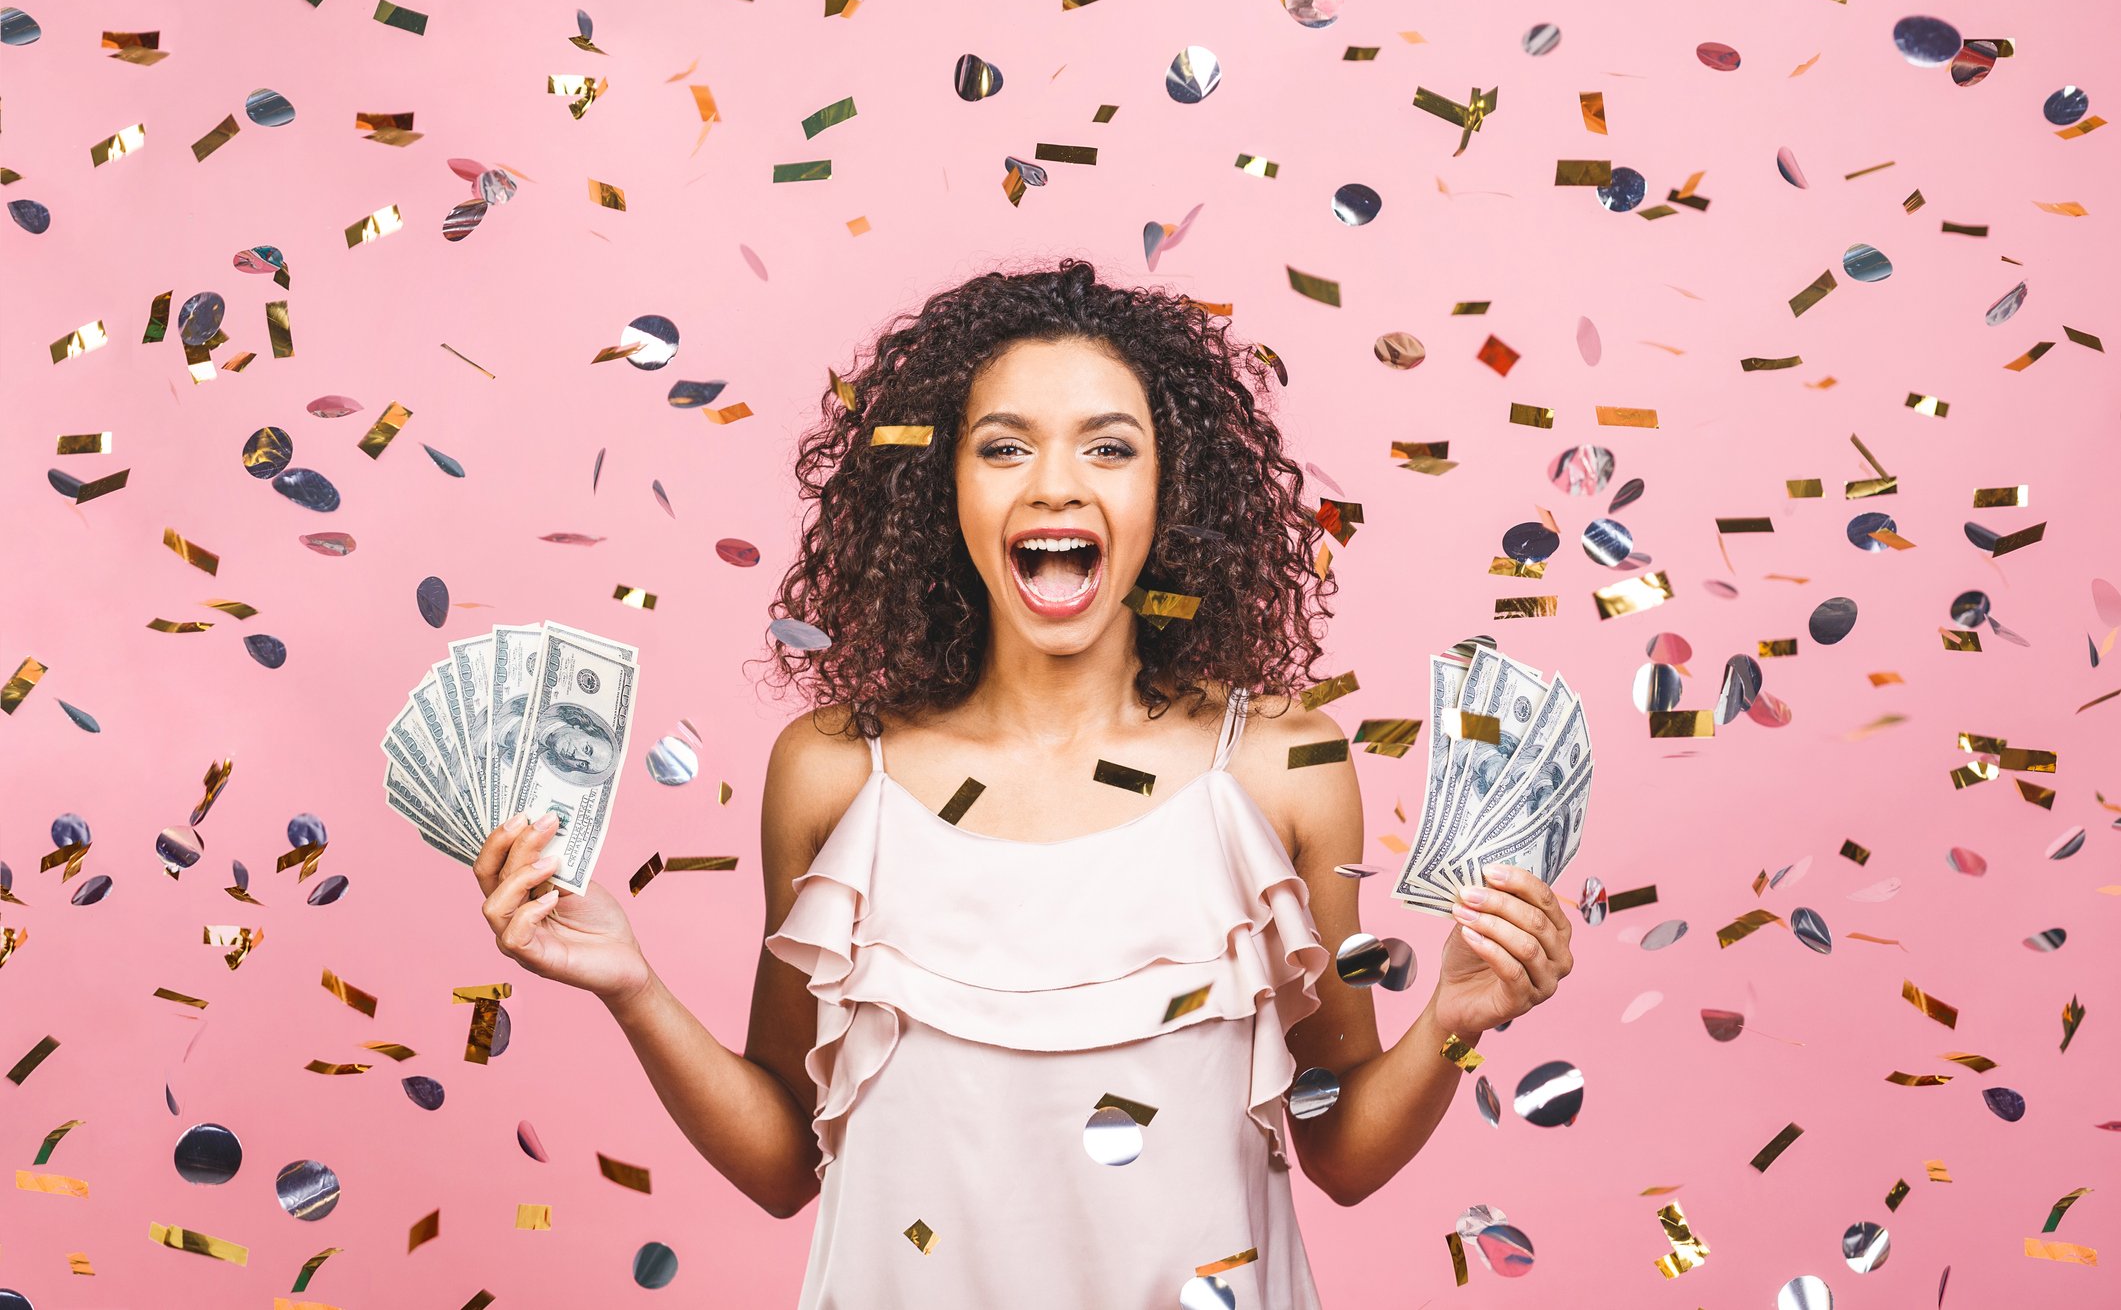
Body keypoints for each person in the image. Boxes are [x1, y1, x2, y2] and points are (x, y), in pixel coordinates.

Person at [472, 259, 1576, 1308]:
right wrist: (631, 985)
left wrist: (1456, 1016)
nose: (1056, 484)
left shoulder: (1282, 765)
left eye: (1109, 448)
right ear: (939, 487)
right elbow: (784, 1161)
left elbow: (1339, 1148)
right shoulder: (832, 772)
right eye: (1004, 449)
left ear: (1169, 488)